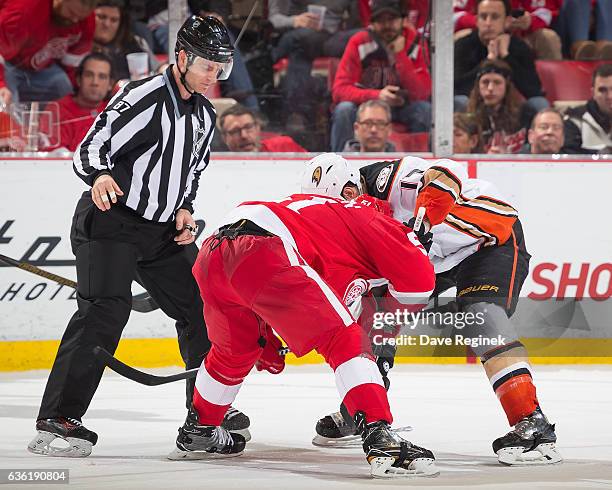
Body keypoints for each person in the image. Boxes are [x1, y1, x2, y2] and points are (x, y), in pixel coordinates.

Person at [27, 15, 249, 458]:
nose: (213, 77)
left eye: (220, 69)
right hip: (111, 222)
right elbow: (90, 148)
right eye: (208, 65)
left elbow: (192, 172)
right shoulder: (143, 96)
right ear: (183, 57)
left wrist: (184, 209)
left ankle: (204, 416)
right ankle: (57, 420)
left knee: (204, 309)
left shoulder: (205, 115)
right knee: (104, 312)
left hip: (162, 232)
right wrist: (101, 176)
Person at [302, 153, 562, 466]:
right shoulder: (347, 217)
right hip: (428, 257)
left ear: (350, 188)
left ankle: (532, 423)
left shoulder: (388, 179)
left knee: (481, 317)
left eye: (343, 201)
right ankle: (367, 411)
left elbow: (447, 172)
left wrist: (422, 223)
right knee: (376, 318)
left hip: (489, 241)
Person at [170, 191, 440, 479]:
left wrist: (267, 336)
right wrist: (380, 334)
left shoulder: (329, 219)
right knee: (345, 338)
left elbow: (291, 289)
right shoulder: (385, 225)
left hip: (213, 252)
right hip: (264, 249)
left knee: (233, 352)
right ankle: (381, 438)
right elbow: (419, 284)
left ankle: (199, 430)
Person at [330, 0, 432, 151]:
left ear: (403, 20)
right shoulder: (360, 41)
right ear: (371, 24)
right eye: (380, 21)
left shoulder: (414, 41)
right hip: (365, 108)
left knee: (424, 110)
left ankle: (418, 167)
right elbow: (339, 90)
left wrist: (400, 56)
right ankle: (338, 164)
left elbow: (423, 92)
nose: (386, 25)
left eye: (391, 19)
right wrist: (377, 95)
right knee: (344, 110)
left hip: (400, 107)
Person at [268, 0, 363, 125]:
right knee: (301, 45)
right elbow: (274, 19)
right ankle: (297, 114)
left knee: (362, 36)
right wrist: (294, 21)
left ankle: (359, 106)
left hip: (331, 38)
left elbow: (355, 22)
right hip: (299, 35)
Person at [454, 0, 548, 114]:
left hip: (511, 110)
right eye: (483, 17)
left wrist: (505, 55)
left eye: (495, 17)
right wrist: (489, 61)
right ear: (477, 20)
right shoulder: (463, 45)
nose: (488, 23)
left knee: (539, 103)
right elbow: (458, 89)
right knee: (460, 101)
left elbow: (533, 91)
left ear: (507, 21)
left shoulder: (519, 47)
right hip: (473, 110)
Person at [0, 0, 97, 105]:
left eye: (80, 17)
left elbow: (72, 64)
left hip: (42, 69)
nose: (74, 20)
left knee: (64, 88)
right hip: (7, 64)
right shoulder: (23, 11)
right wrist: (1, 85)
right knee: (5, 103)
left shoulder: (86, 19)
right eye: (71, 13)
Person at [40, 53, 114, 152]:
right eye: (89, 75)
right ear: (79, 80)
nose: (95, 82)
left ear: (110, 84)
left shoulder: (115, 110)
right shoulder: (57, 109)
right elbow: (52, 154)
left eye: (102, 77)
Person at [453, 0, 562, 60]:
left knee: (549, 37)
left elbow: (548, 11)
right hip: (479, 34)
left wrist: (530, 20)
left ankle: (551, 94)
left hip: (520, 34)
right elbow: (451, 16)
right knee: (458, 37)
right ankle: (454, 93)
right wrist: (487, 23)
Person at [467, 60, 534, 153]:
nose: (490, 88)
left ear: (507, 86)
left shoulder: (526, 114)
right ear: (478, 86)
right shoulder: (468, 118)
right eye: (485, 82)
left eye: (497, 82)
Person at [93, 0, 161, 81]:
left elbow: (157, 68)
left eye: (114, 20)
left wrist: (164, 69)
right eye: (101, 17)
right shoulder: (78, 45)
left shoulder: (136, 43)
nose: (107, 24)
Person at [564, 63, 612, 154]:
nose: (610, 96)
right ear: (593, 93)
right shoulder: (575, 120)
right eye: (602, 90)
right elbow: (570, 159)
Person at [219, 104, 306, 152]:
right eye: (235, 131)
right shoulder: (215, 164)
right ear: (224, 138)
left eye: (248, 127)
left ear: (258, 128)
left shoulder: (284, 146)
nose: (244, 136)